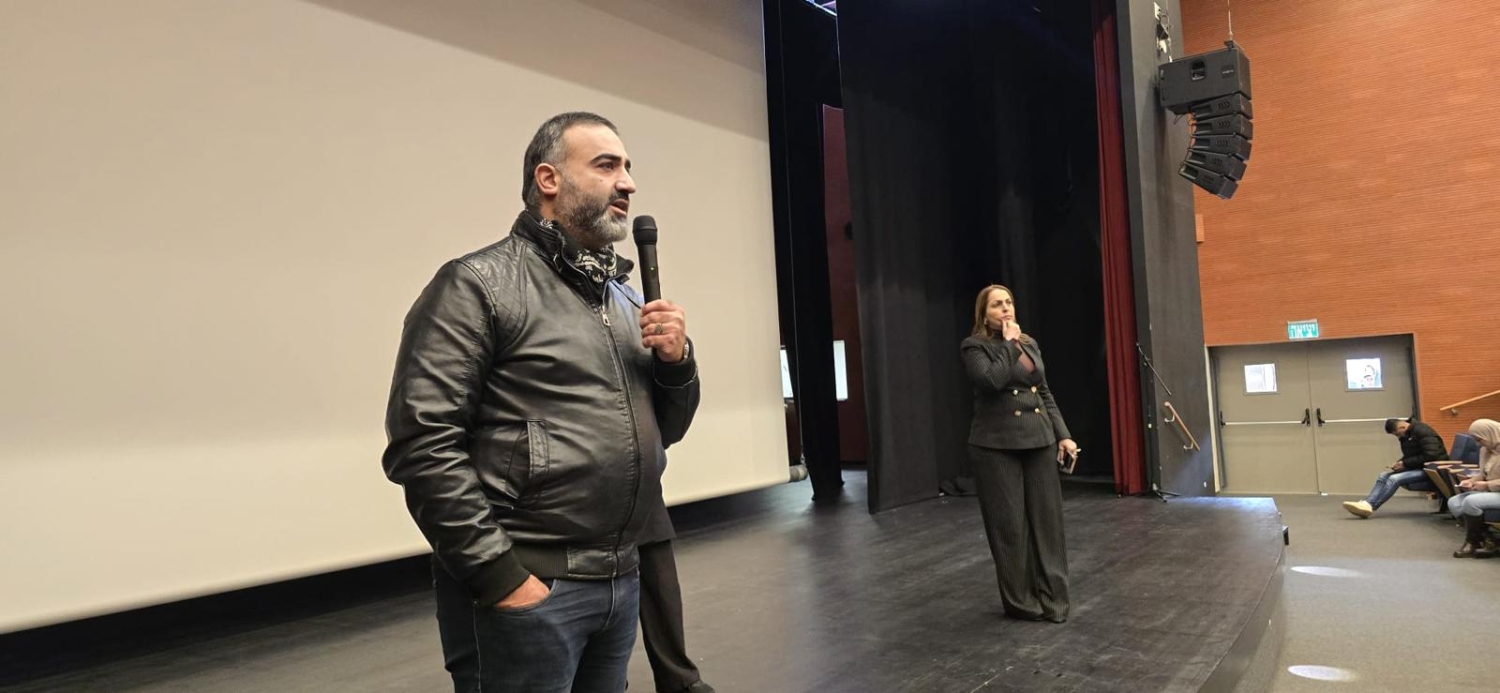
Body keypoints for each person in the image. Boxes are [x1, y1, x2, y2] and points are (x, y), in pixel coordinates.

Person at [382, 111, 701, 693]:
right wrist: (500, 577)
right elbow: (422, 444)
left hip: (618, 581)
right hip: (530, 587)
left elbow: (666, 430)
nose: (627, 182)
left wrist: (677, 363)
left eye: (628, 167)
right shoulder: (477, 285)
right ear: (548, 179)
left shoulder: (624, 299)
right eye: (606, 165)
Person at [959, 284, 1078, 623]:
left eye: (1009, 302)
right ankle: (1021, 602)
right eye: (997, 305)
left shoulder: (1030, 343)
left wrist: (1064, 436)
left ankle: (1055, 600)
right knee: (1010, 526)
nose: (1006, 309)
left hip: (1038, 439)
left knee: (1048, 522)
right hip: (996, 445)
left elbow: (1044, 392)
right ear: (985, 315)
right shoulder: (974, 347)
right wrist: (1010, 344)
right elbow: (991, 382)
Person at [1341, 417, 1447, 518]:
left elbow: (1431, 455)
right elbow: (1412, 455)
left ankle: (1371, 506)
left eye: (1397, 434)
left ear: (1402, 427)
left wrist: (1405, 463)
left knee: (1394, 478)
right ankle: (1367, 503)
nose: (1398, 437)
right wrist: (1400, 463)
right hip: (1420, 467)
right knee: (1383, 475)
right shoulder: (1407, 435)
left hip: (1433, 469)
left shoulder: (1423, 432)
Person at [1448, 419, 1500, 558]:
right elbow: (1483, 474)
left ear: (1490, 434)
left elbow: (1487, 481)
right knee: (1454, 502)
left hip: (1495, 490)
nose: (1478, 444)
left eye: (1479, 440)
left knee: (1471, 502)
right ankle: (1489, 540)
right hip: (1492, 491)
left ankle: (1473, 543)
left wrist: (1487, 485)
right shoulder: (1485, 450)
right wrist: (1471, 481)